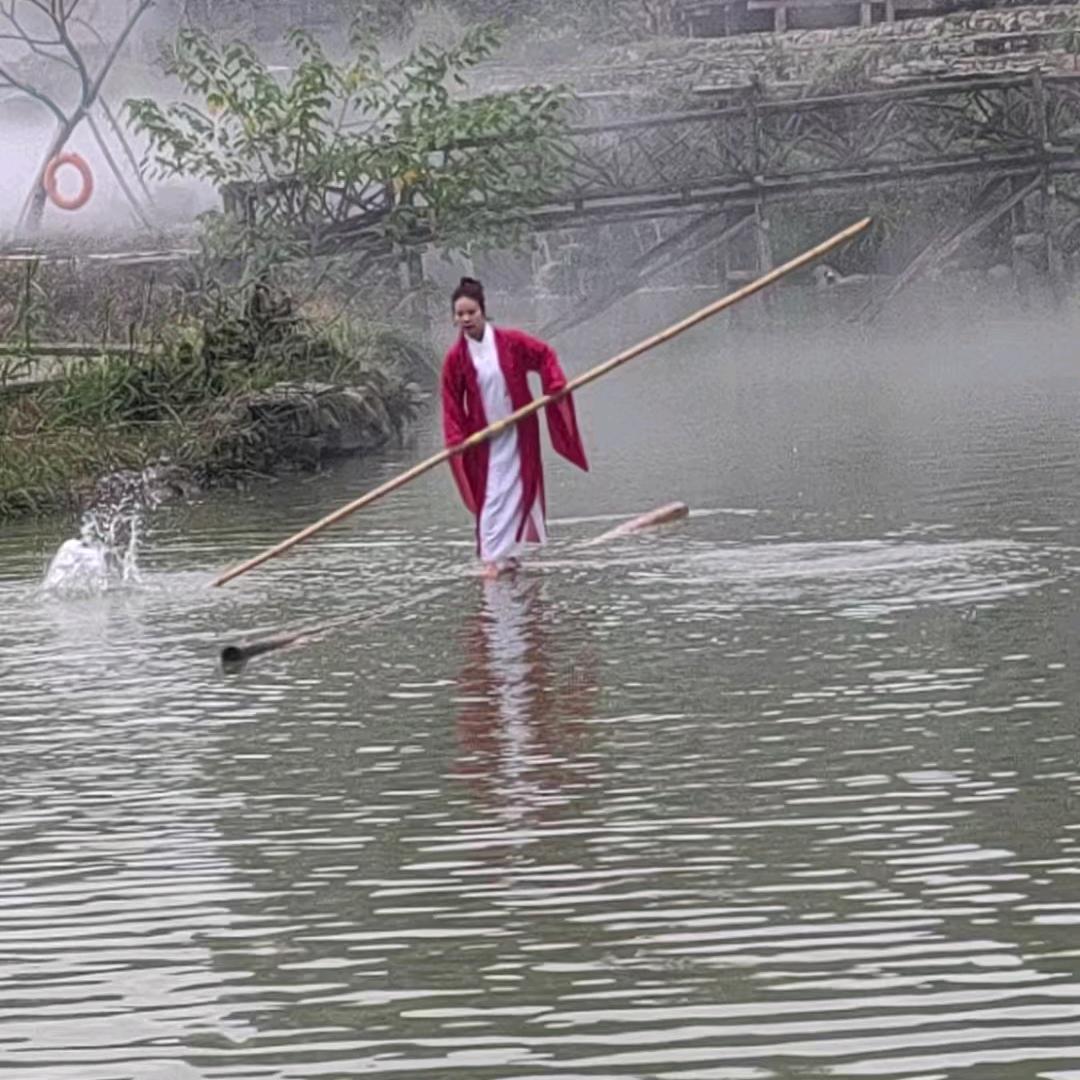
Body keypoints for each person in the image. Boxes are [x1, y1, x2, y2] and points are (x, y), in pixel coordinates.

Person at [441, 277, 588, 577]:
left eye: (471, 312)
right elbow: (451, 401)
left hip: (519, 429)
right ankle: (492, 556)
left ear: (483, 311)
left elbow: (545, 355)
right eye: (460, 314)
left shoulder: (511, 342)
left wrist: (554, 382)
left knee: (518, 488)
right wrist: (457, 438)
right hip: (484, 438)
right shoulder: (456, 359)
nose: (466, 319)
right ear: (454, 318)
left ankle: (507, 556)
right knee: (492, 493)